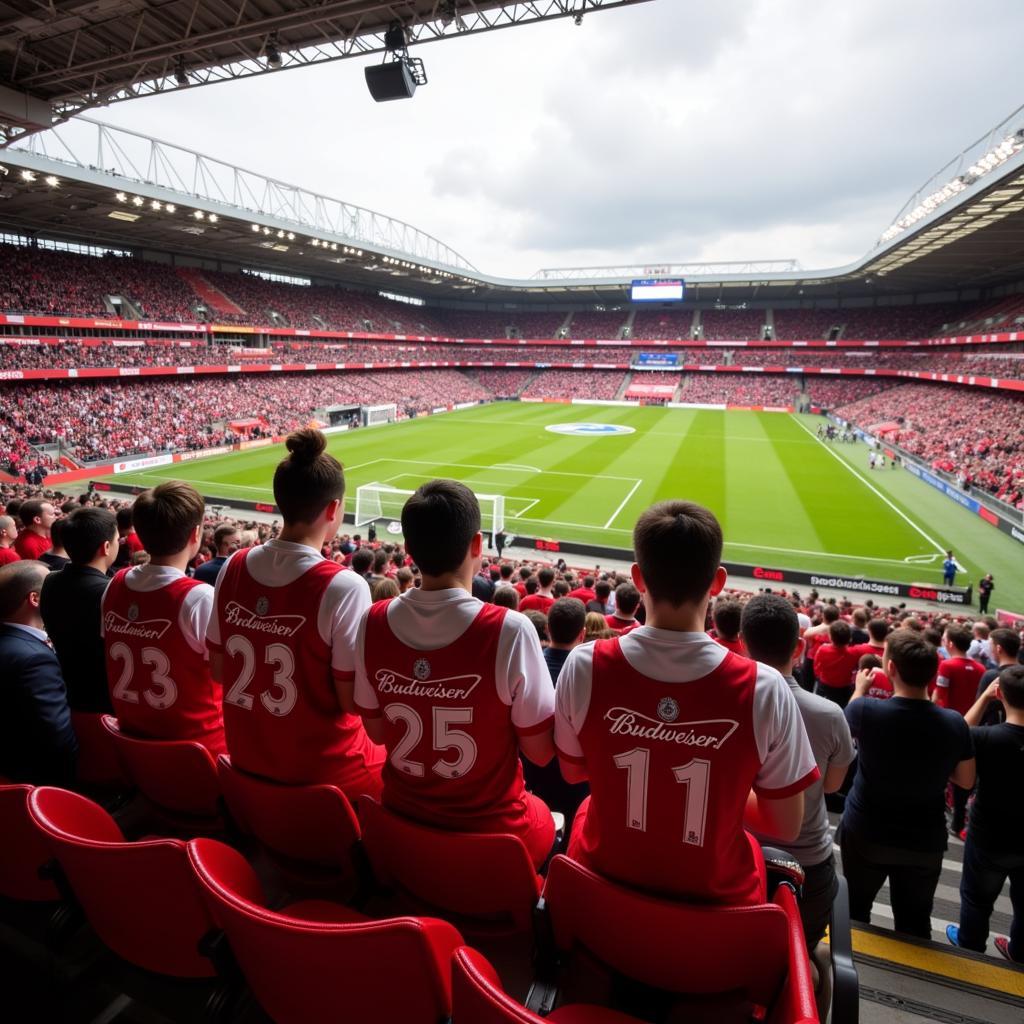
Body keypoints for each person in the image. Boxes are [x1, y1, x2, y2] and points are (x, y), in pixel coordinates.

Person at [555, 500, 818, 905]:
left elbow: (574, 774)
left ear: (638, 578)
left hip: (600, 898)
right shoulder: (765, 688)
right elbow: (785, 824)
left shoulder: (584, 664)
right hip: (715, 916)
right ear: (718, 582)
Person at [352, 479, 557, 869]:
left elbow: (376, 733)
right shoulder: (509, 630)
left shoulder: (371, 621)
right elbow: (540, 752)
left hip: (402, 819)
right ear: (477, 545)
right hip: (492, 835)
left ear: (409, 550)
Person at [208, 429, 383, 797]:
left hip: (247, 760)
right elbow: (351, 703)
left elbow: (220, 670)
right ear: (333, 509)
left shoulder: (233, 566)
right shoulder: (343, 586)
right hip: (326, 776)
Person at [840, 630, 975, 939]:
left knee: (855, 912)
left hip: (867, 832)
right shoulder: (954, 722)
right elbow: (965, 780)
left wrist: (860, 689)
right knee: (914, 924)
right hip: (924, 840)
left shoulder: (864, 710)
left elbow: (843, 736)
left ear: (890, 669)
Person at [742, 593, 855, 949]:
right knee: (801, 958)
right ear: (799, 647)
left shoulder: (728, 702)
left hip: (736, 855)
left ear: (743, 644)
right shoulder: (830, 714)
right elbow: (831, 786)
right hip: (807, 864)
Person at [102, 483, 226, 756]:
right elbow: (228, 673)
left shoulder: (114, 584)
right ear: (196, 534)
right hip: (200, 752)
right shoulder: (199, 598)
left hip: (135, 745)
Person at [947, 666, 1024, 964]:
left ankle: (970, 947)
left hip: (989, 833)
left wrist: (982, 701)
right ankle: (1018, 952)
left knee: (977, 898)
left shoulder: (984, 736)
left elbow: (958, 737)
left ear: (999, 694)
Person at [0, 560, 78, 785]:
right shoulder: (33, 659)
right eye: (53, 588)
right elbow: (59, 740)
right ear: (34, 599)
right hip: (35, 780)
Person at [39, 507, 119, 714]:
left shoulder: (50, 580)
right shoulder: (109, 592)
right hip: (100, 700)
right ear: (107, 547)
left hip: (64, 686)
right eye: (118, 539)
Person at [523, 596, 590, 830]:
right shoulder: (590, 675)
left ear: (548, 629)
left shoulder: (527, 666)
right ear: (582, 634)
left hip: (533, 775)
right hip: (574, 781)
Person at [813, 620, 860, 707]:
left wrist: (819, 676)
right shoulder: (854, 652)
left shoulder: (822, 649)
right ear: (849, 638)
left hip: (825, 685)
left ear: (830, 637)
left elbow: (816, 667)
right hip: (844, 688)